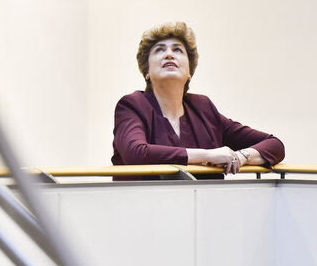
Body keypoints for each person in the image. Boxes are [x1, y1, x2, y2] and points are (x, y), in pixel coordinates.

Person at [112, 22, 284, 180]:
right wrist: (207, 155)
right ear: (146, 71)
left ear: (189, 72)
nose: (169, 54)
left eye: (177, 50)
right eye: (159, 50)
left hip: (205, 209)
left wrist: (239, 157)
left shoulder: (203, 109)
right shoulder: (132, 105)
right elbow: (136, 153)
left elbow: (275, 145)